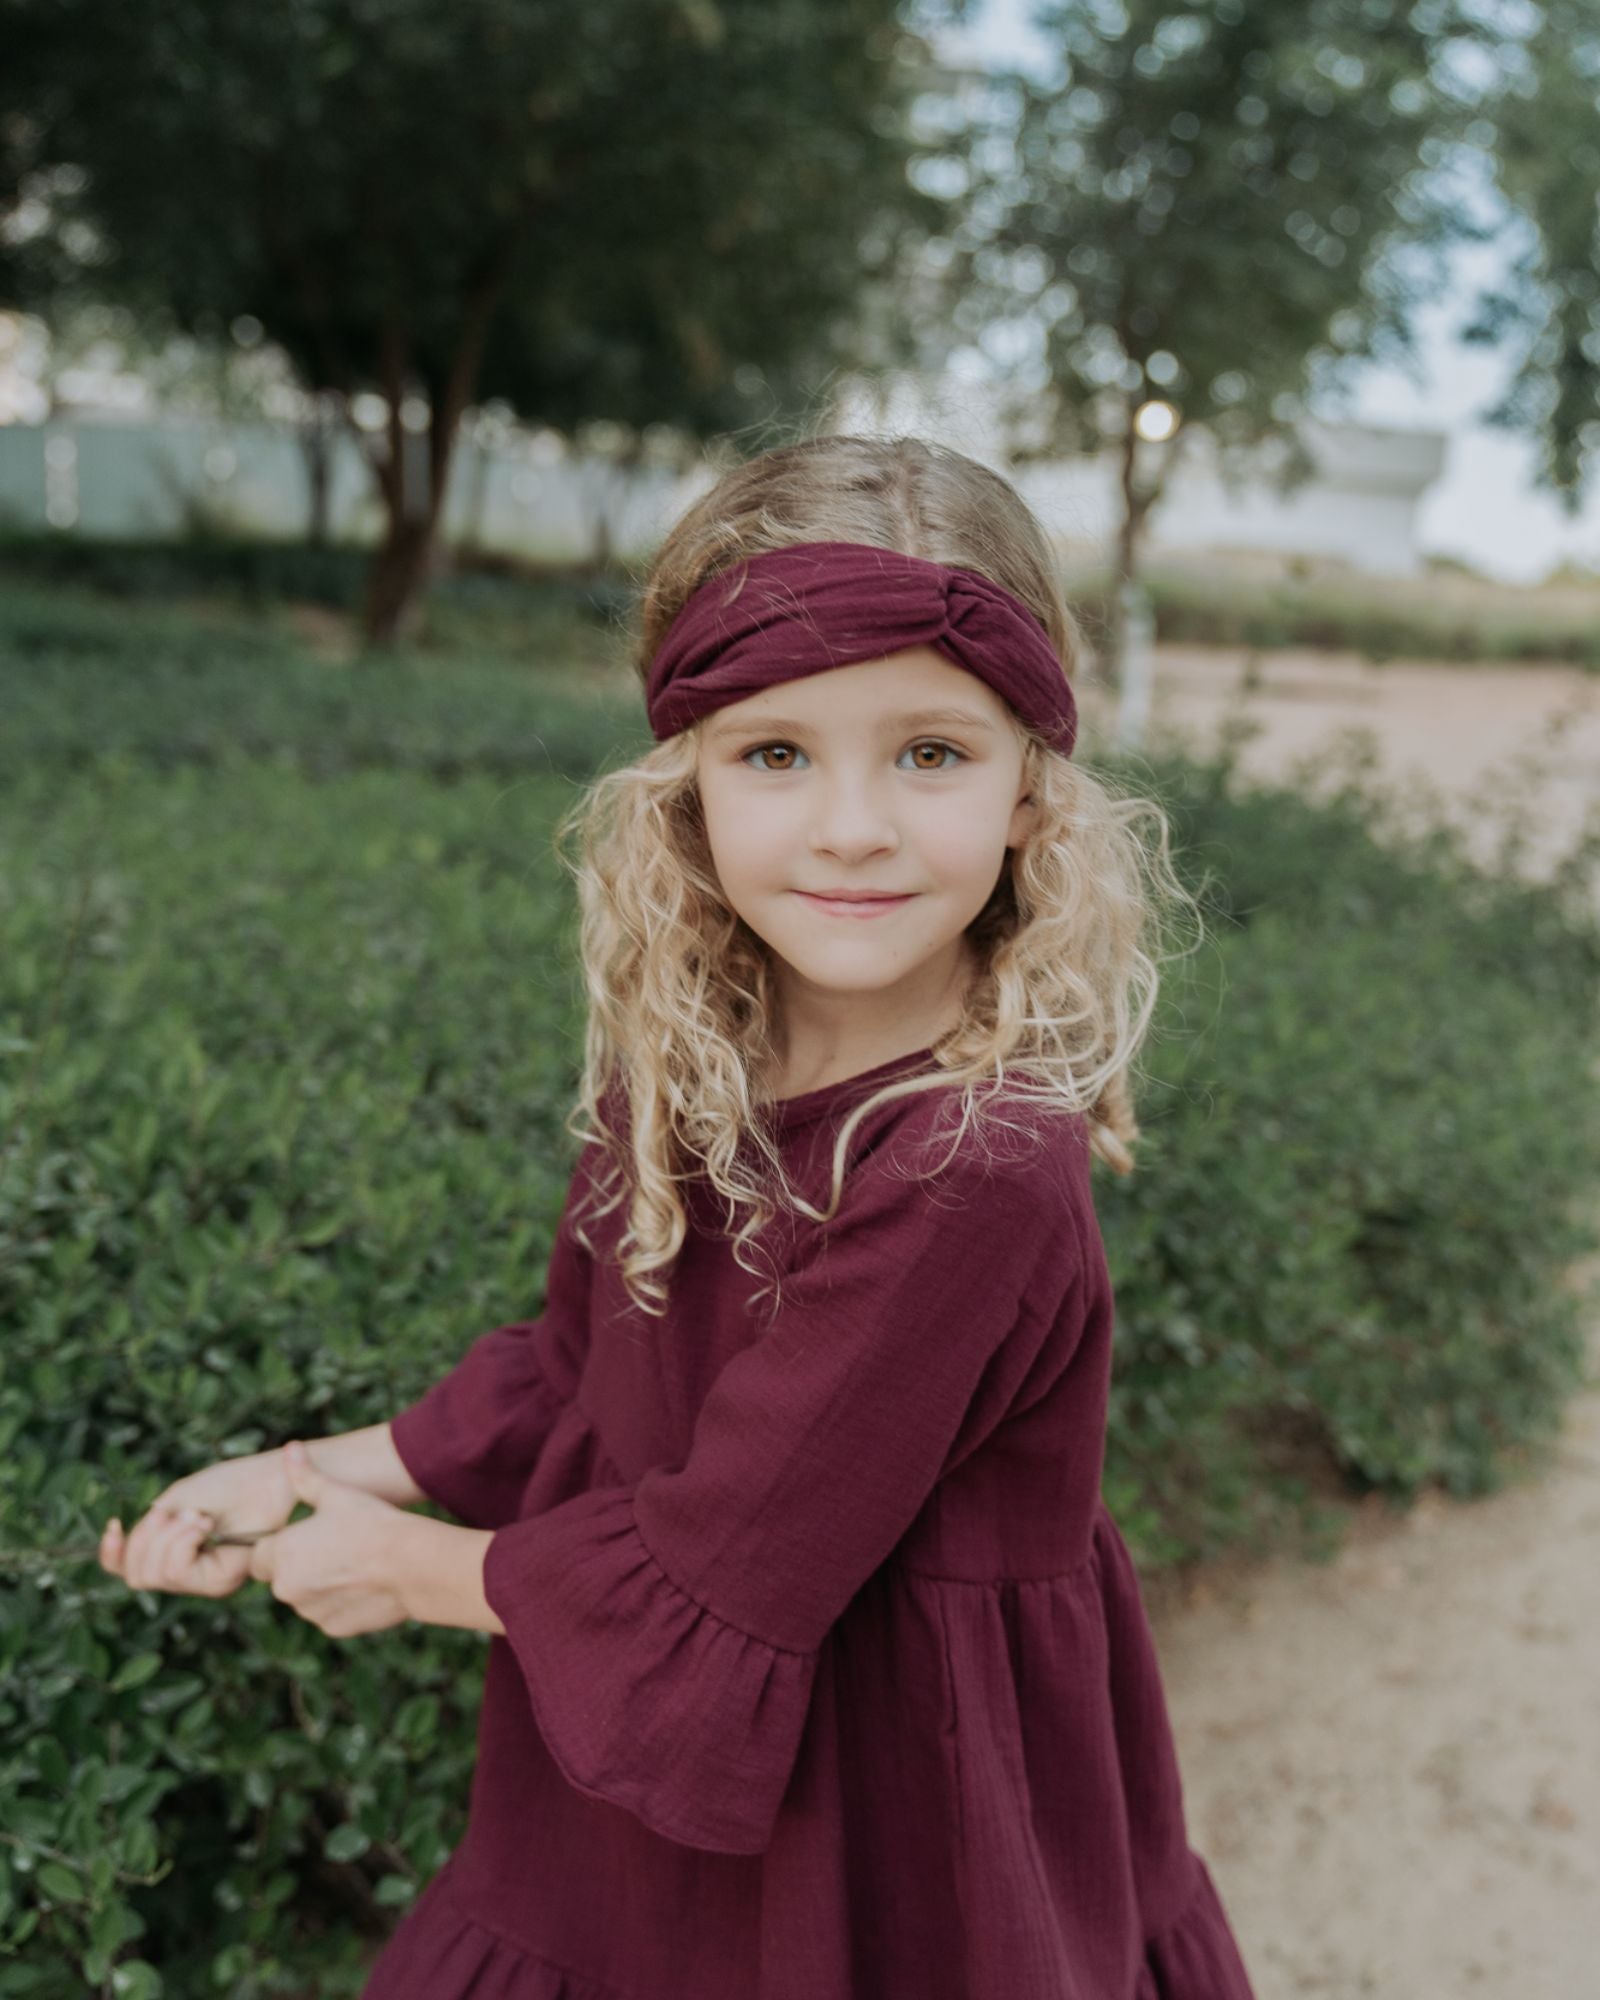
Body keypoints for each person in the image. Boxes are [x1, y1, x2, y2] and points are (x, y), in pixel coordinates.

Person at [100, 434, 1258, 1999]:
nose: (852, 825)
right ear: (688, 791)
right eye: (775, 753)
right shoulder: (693, 1064)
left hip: (898, 1822)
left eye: (931, 753)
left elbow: (728, 1573)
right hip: (633, 1802)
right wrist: (303, 1471)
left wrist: (401, 1569)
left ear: (1035, 796)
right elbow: (578, 1373)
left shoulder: (975, 1167)